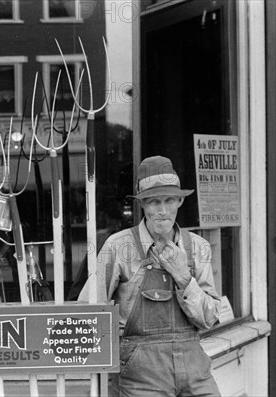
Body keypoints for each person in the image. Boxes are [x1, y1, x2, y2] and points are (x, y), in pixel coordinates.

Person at [78, 156, 221, 397]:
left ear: (180, 201)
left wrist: (184, 278)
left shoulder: (198, 247)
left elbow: (209, 318)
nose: (163, 211)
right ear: (142, 205)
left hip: (195, 370)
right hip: (140, 376)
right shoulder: (118, 246)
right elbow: (89, 313)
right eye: (154, 202)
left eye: (169, 200)